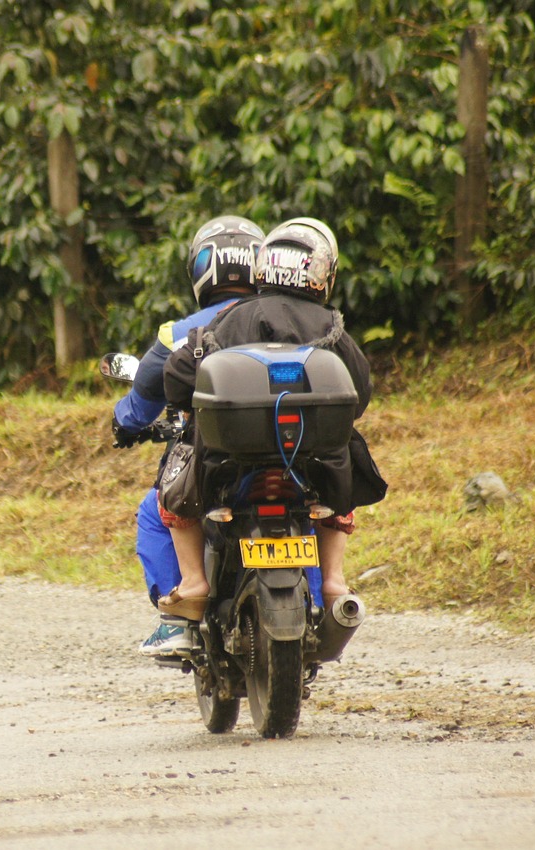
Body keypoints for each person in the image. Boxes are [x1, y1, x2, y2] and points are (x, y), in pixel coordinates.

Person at [158, 217, 381, 621]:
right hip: (314, 464)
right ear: (322, 274)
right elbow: (359, 392)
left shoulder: (228, 320)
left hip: (226, 463)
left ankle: (193, 582)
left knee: (173, 484)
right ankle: (332, 580)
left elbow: (178, 376)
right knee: (342, 471)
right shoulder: (331, 327)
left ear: (265, 266)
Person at [112, 215, 264, 656]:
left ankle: (179, 617)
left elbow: (144, 396)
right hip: (289, 453)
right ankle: (320, 599)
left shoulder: (178, 331)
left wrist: (126, 423)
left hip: (214, 463)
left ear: (201, 270)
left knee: (155, 511)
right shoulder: (282, 318)